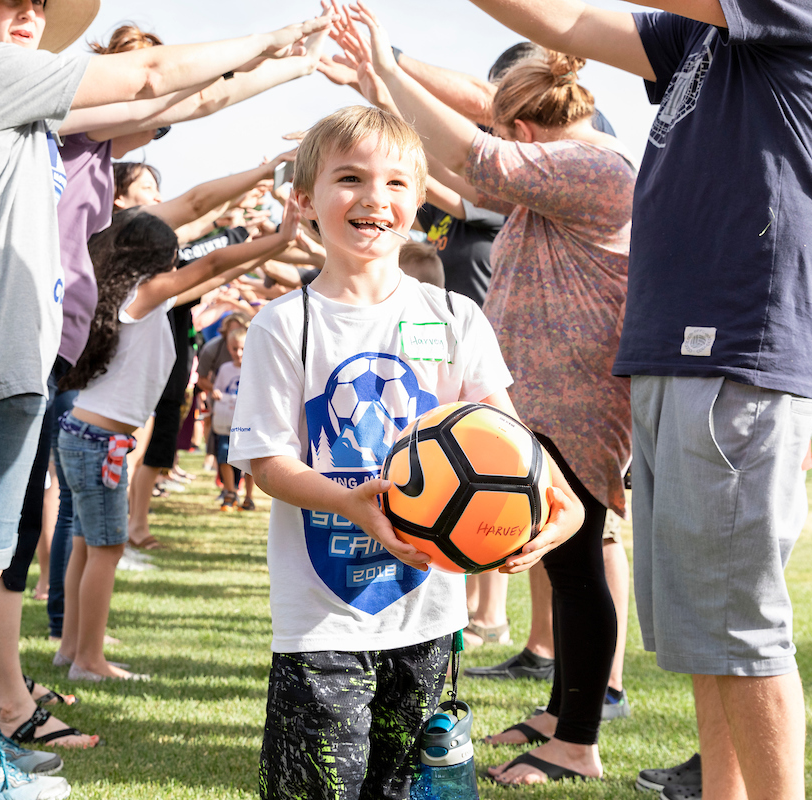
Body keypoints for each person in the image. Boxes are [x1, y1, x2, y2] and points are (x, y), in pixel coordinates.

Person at [0, 0, 329, 796]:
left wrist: (296, 65)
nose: (29, 10)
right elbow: (155, 75)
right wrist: (277, 36)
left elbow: (166, 100)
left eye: (42, 0)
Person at [460, 1, 812, 798]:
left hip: (734, 347)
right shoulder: (698, 37)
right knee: (698, 628)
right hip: (673, 355)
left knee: (739, 628)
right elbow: (570, 20)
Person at [227, 105, 585, 800]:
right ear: (304, 201)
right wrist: (347, 502)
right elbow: (269, 462)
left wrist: (554, 501)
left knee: (407, 788)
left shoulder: (454, 317)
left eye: (395, 183)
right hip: (321, 620)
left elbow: (508, 439)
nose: (373, 198)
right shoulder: (284, 326)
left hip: (428, 617)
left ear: (419, 203)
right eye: (350, 178)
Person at [340, 9, 633, 783]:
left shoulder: (593, 167)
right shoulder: (563, 169)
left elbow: (476, 160)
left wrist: (386, 67)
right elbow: (469, 154)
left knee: (573, 564)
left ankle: (578, 741)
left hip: (575, 403)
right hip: (541, 402)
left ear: (526, 135)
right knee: (559, 563)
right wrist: (377, 80)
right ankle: (562, 714)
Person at [55, 203, 299, 681]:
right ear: (154, 261)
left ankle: (71, 648)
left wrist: (265, 252)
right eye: (171, 258)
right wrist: (280, 237)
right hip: (99, 441)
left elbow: (215, 275)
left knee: (87, 543)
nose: (178, 265)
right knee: (106, 548)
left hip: (87, 435)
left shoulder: (134, 296)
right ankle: (89, 660)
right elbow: (207, 265)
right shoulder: (138, 295)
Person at [210, 326, 251, 511]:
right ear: (228, 348)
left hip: (248, 424)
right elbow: (216, 389)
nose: (238, 353)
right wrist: (216, 394)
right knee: (224, 455)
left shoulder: (253, 368)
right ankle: (230, 491)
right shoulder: (225, 369)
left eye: (242, 348)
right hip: (226, 422)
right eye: (234, 348)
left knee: (251, 460)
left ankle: (249, 497)